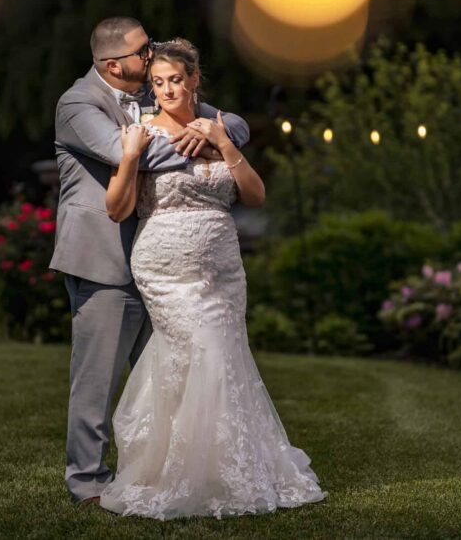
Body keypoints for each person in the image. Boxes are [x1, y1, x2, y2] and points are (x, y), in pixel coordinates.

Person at [99, 38, 325, 519]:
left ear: (194, 79)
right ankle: (182, 472)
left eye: (175, 81)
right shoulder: (141, 134)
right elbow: (118, 209)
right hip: (165, 266)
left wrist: (223, 143)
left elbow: (256, 196)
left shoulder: (221, 128)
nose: (166, 91)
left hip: (222, 266)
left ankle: (231, 465)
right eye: (157, 83)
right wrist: (131, 157)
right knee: (203, 351)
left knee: (225, 354)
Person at [50, 18, 251, 505]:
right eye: (145, 51)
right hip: (103, 256)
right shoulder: (78, 104)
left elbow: (236, 124)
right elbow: (132, 155)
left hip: (162, 261)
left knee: (163, 378)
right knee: (97, 379)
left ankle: (156, 469)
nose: (155, 53)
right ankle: (86, 480)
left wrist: (216, 133)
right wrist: (206, 141)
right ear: (114, 64)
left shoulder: (145, 95)